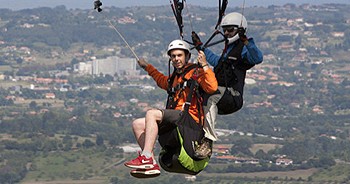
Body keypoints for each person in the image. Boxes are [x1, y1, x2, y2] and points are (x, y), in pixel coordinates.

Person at [124, 39, 218, 178]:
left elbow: (212, 87)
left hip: (189, 119)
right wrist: (147, 67)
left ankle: (146, 157)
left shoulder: (195, 72)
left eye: (179, 55)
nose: (176, 59)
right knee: (137, 124)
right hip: (177, 118)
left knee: (152, 114)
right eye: (173, 56)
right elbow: (162, 81)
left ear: (187, 56)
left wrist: (204, 65)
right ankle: (151, 163)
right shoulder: (176, 77)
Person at [193, 12, 263, 159]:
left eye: (230, 30)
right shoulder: (228, 50)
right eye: (225, 30)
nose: (226, 33)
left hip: (233, 96)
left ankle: (208, 142)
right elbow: (216, 60)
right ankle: (193, 133)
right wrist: (200, 47)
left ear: (240, 29)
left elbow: (257, 58)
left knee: (211, 96)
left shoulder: (244, 49)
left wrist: (246, 41)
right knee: (197, 93)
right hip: (221, 94)